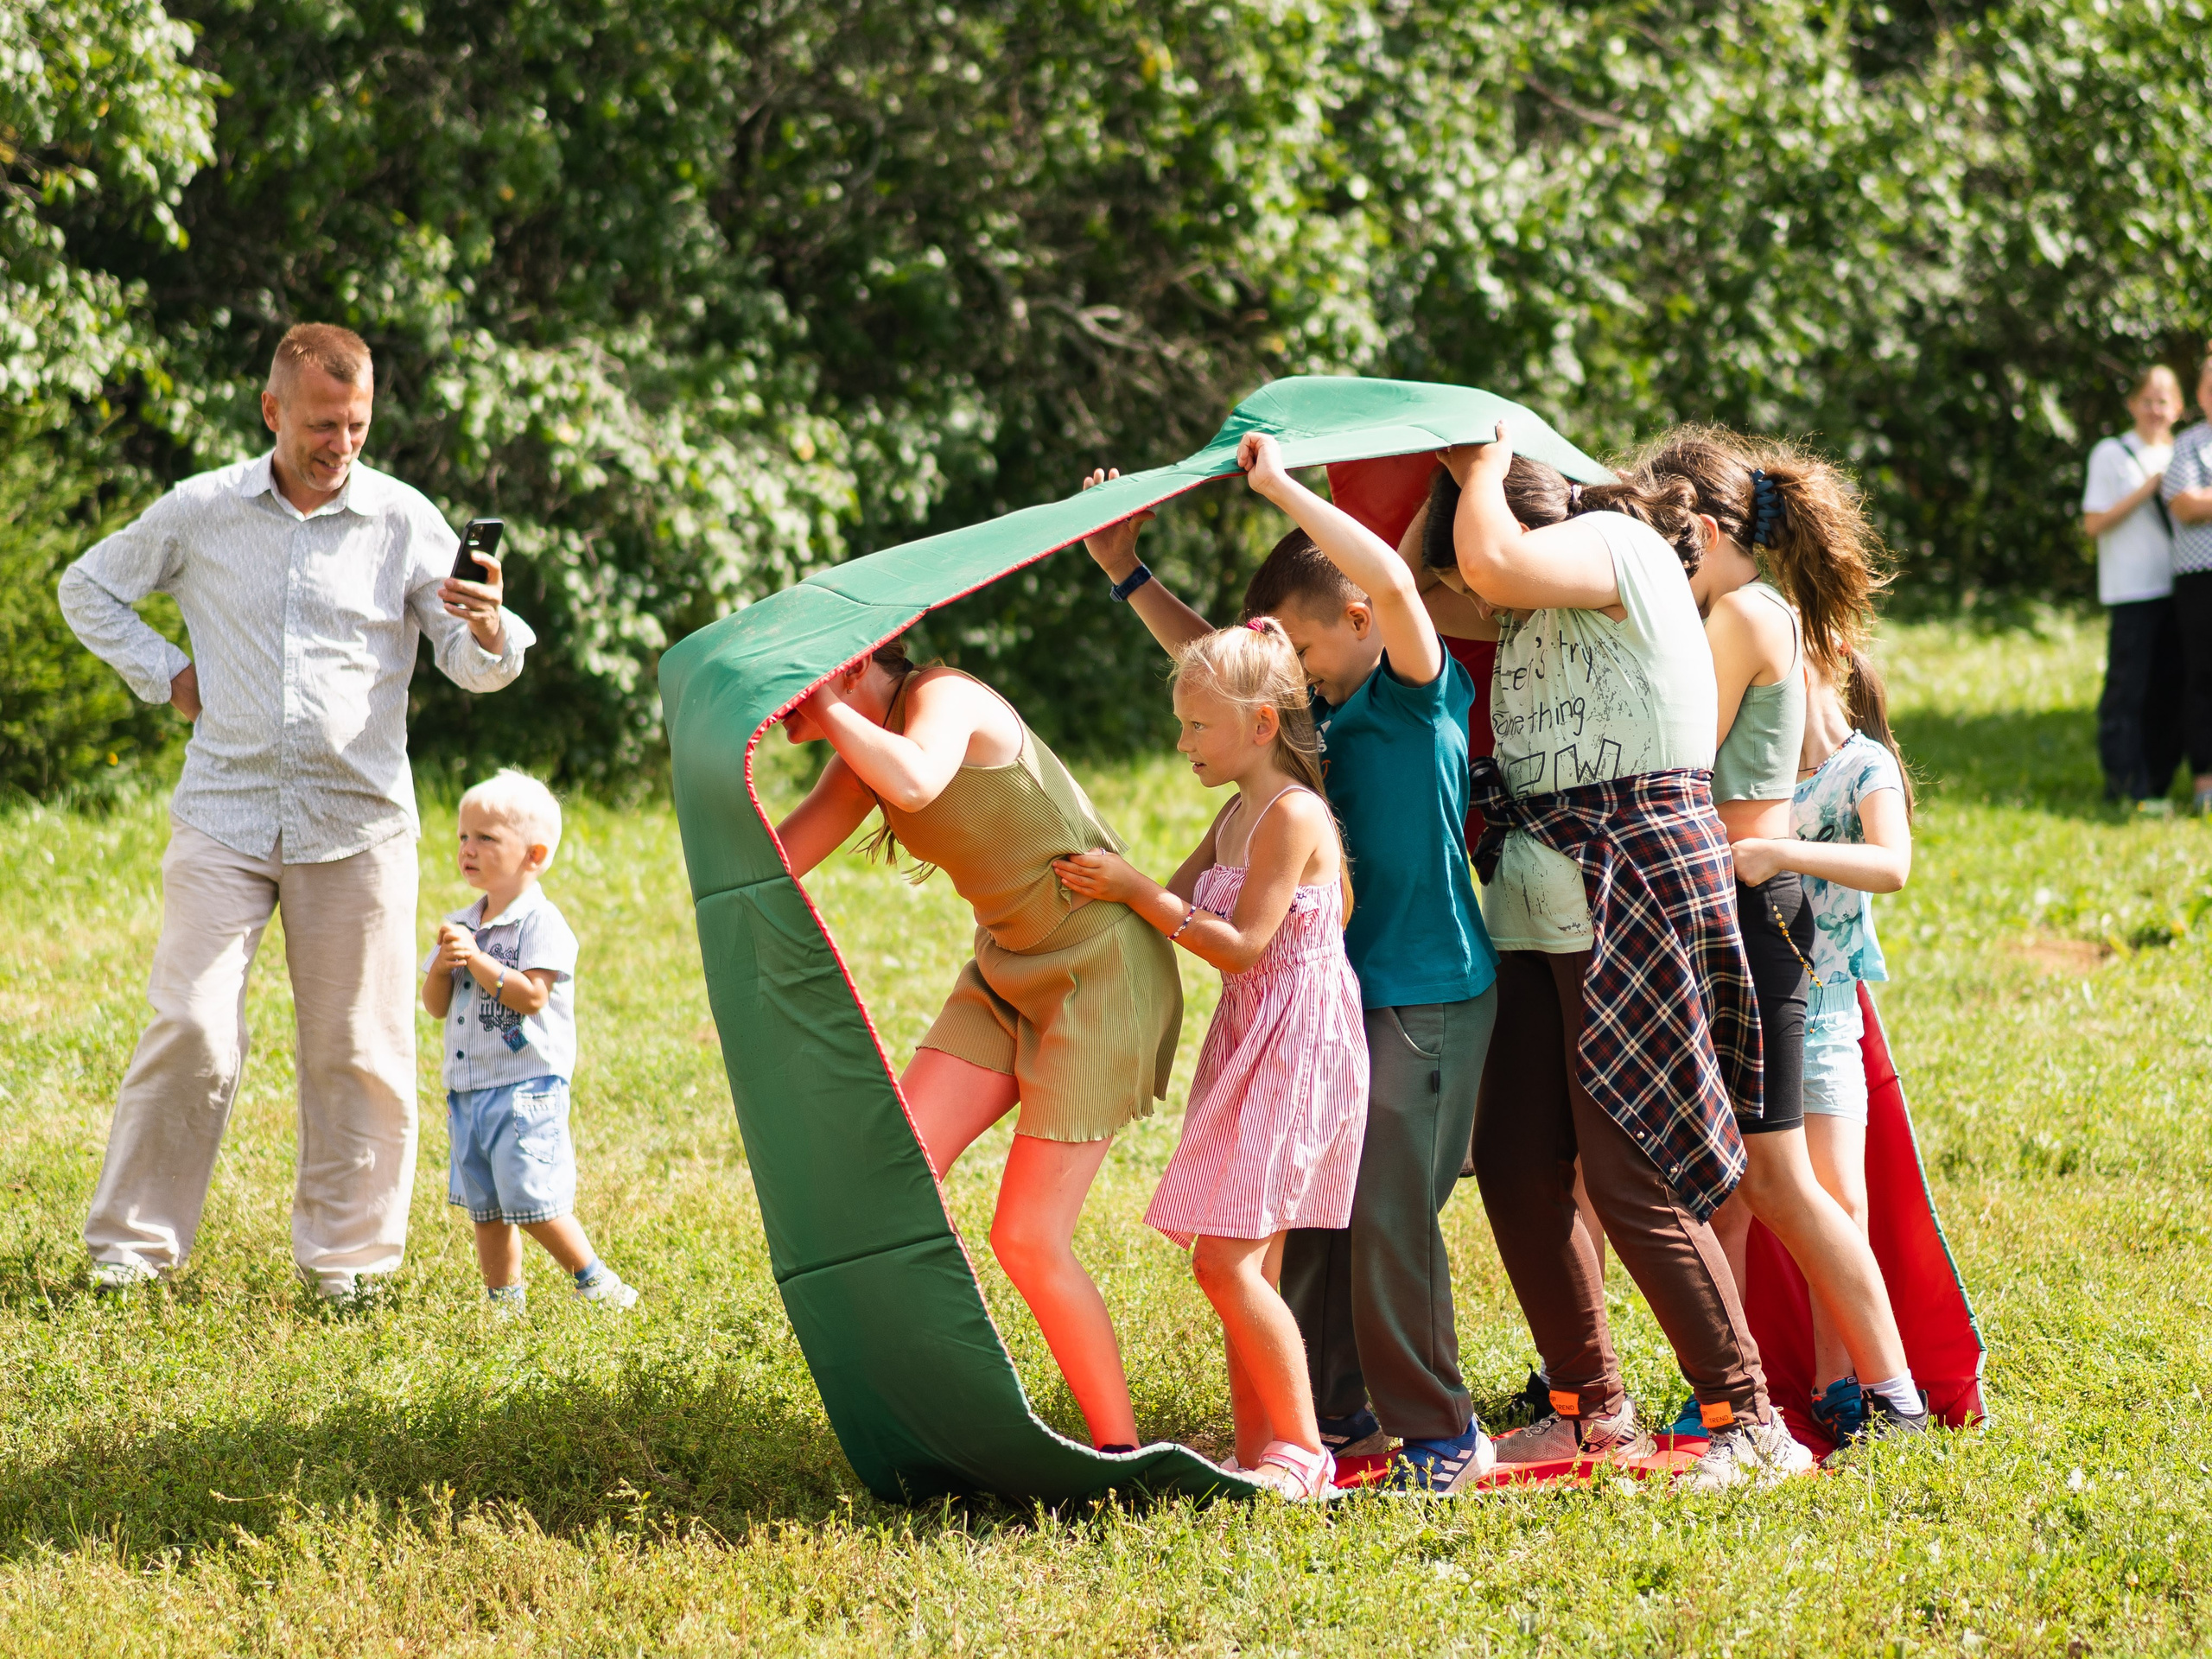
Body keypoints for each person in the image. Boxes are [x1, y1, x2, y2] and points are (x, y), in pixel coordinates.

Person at [57, 323, 535, 1300]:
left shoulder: (403, 519)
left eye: (357, 424)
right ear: (273, 410)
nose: (341, 443)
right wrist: (166, 675)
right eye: (322, 423)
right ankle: (130, 1253)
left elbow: (476, 665)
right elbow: (87, 586)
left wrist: (487, 627)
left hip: (357, 825)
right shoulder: (200, 510)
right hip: (224, 813)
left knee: (359, 1047)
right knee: (189, 1025)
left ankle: (347, 1265)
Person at [1080, 431, 1500, 1494]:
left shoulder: (1413, 691)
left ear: (1357, 624)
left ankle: (1446, 1433)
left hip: (1428, 988)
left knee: (1390, 1215)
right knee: (1314, 1219)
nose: (1300, 672)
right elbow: (1233, 679)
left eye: (1310, 651)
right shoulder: (1312, 719)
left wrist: (1280, 487)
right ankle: (1331, 1417)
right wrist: (1128, 573)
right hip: (1331, 997)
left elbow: (1395, 582)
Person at [1444, 423, 1813, 1491]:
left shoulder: (1621, 549)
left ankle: (1748, 1420)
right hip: (1533, 896)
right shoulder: (1519, 604)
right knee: (1513, 1160)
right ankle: (1587, 1410)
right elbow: (1414, 590)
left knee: (1631, 1167)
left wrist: (1472, 466)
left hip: (1634, 879)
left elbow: (1485, 561)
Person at [772, 640, 1181, 1453]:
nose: (785, 699)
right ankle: (935, 1403)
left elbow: (919, 780)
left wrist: (820, 707)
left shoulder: (944, 697)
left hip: (1098, 971)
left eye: (799, 676)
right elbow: (779, 862)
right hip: (1008, 971)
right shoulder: (863, 752)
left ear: (853, 664)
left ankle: (1120, 1455)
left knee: (1026, 1235)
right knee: (891, 1175)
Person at [1632, 427, 1925, 1452]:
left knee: (1777, 1180)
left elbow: (1672, 748)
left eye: (1662, 545)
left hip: (1757, 914)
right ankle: (1741, 1385)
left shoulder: (1743, 617)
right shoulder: (1756, 609)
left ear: (1705, 533)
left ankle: (1886, 1397)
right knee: (1738, 1178)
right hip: (1737, 909)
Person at [1052, 620, 1366, 1502]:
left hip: (1295, 1044)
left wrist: (1132, 889)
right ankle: (1259, 1447)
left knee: (1222, 1262)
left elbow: (1239, 945)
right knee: (1244, 1263)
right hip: (1250, 1039)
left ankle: (1304, 1454)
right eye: (1182, 725)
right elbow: (1168, 898)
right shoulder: (1234, 812)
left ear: (1262, 724)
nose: (1181, 742)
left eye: (1197, 726)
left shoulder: (1292, 813)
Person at [1730, 648, 1923, 1456]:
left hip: (1827, 1014)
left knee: (1838, 1199)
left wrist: (1784, 853)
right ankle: (1733, 1387)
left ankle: (1839, 1386)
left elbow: (1894, 865)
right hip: (1744, 1007)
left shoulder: (1862, 766)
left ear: (1824, 657)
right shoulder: (1746, 773)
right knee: (1730, 1202)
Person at [422, 770, 637, 1313]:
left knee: (534, 1200)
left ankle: (596, 1281)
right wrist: (444, 969)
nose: (468, 849)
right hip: (468, 1088)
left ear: (533, 855)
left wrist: (478, 960)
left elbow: (533, 997)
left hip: (526, 1086)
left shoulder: (541, 922)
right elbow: (435, 1005)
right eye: (463, 837)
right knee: (486, 1207)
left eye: (486, 838)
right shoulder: (461, 924)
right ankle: (504, 1302)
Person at [2082, 366, 2183, 810]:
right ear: (2131, 404)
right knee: (2128, 690)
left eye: (2164, 401)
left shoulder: (2187, 451)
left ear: (2179, 408)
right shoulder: (2112, 453)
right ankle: (2123, 784)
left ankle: (2158, 784)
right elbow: (2094, 523)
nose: (2155, 410)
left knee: (2170, 691)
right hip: (2131, 592)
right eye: (2148, 400)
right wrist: (2148, 490)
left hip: (2179, 590)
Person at [2161, 352, 2212, 815]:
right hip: (2201, 579)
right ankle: (2205, 782)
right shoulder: (2190, 444)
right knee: (2204, 676)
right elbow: (2185, 506)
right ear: (2200, 394)